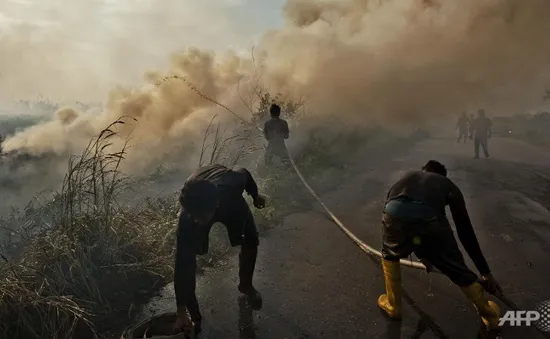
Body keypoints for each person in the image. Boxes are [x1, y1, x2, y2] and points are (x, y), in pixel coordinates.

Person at [377, 160, 503, 337]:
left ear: (424, 170)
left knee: (389, 254)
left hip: (392, 212)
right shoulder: (447, 184)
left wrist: (424, 255)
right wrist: (485, 272)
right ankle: (490, 317)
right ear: (442, 176)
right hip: (429, 219)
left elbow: (406, 217)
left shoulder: (406, 178)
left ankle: (393, 306)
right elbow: (464, 230)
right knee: (455, 267)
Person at [173, 164, 267, 336]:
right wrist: (180, 310)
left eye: (200, 217)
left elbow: (244, 172)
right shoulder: (189, 216)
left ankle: (246, 285)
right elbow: (181, 265)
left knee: (250, 238)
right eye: (193, 216)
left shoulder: (232, 184)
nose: (196, 220)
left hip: (228, 199)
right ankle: (194, 313)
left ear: (215, 204)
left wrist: (255, 195)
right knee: (188, 258)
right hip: (200, 194)